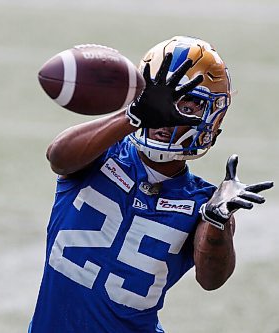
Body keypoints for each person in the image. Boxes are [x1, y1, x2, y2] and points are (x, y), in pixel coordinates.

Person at [29, 36, 274, 333]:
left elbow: (212, 280)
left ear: (210, 120)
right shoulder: (101, 151)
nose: (167, 114)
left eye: (189, 104)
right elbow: (59, 157)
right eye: (162, 98)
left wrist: (216, 220)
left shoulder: (202, 201)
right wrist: (132, 116)